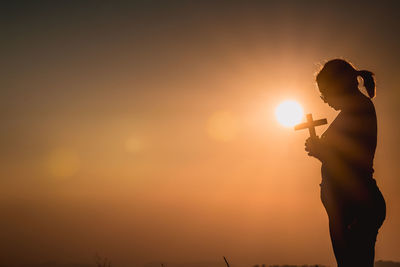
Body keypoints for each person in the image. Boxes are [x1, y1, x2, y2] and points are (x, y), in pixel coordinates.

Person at [305, 59, 386, 267]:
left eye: (325, 92)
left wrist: (320, 151)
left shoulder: (357, 112)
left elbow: (352, 162)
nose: (324, 100)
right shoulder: (354, 112)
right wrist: (320, 151)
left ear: (338, 85)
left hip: (355, 205)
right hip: (350, 205)